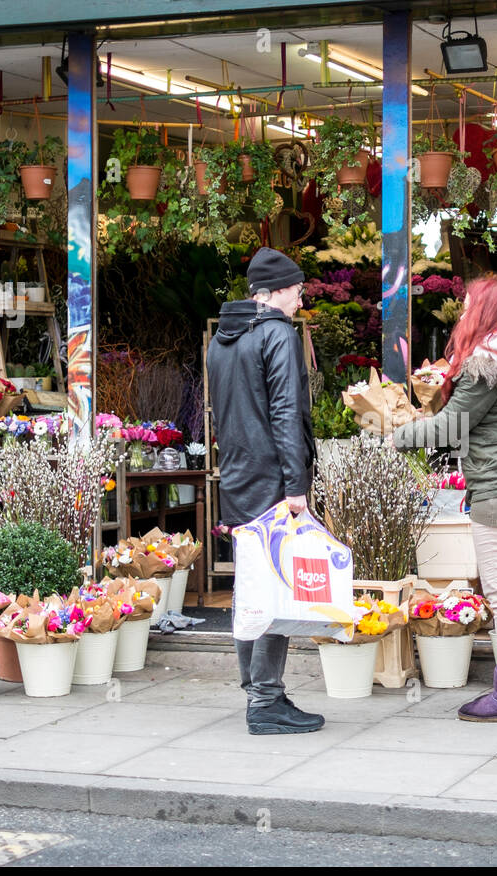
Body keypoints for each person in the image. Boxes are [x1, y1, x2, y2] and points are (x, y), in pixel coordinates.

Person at [393, 273, 497, 722]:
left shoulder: (485, 364)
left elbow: (451, 427)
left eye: (468, 304)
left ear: (484, 311)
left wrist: (395, 434)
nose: (464, 311)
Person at [206, 246, 324, 735]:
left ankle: (255, 689)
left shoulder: (222, 339)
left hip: (236, 477)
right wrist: (296, 486)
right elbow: (284, 414)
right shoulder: (277, 335)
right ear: (276, 291)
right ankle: (266, 701)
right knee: (275, 586)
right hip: (274, 482)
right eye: (297, 289)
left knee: (249, 586)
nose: (301, 298)